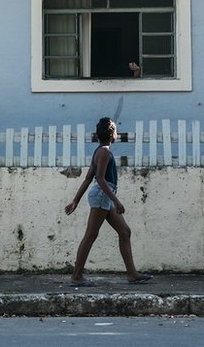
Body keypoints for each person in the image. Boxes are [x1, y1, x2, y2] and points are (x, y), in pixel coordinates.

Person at [64, 117, 152, 286]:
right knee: (90, 235)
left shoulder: (99, 151)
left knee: (125, 232)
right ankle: (76, 276)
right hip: (103, 195)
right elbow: (100, 179)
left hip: (103, 195)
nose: (117, 133)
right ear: (112, 134)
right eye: (116, 130)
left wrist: (76, 200)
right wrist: (116, 201)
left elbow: (88, 178)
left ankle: (132, 274)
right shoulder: (104, 152)